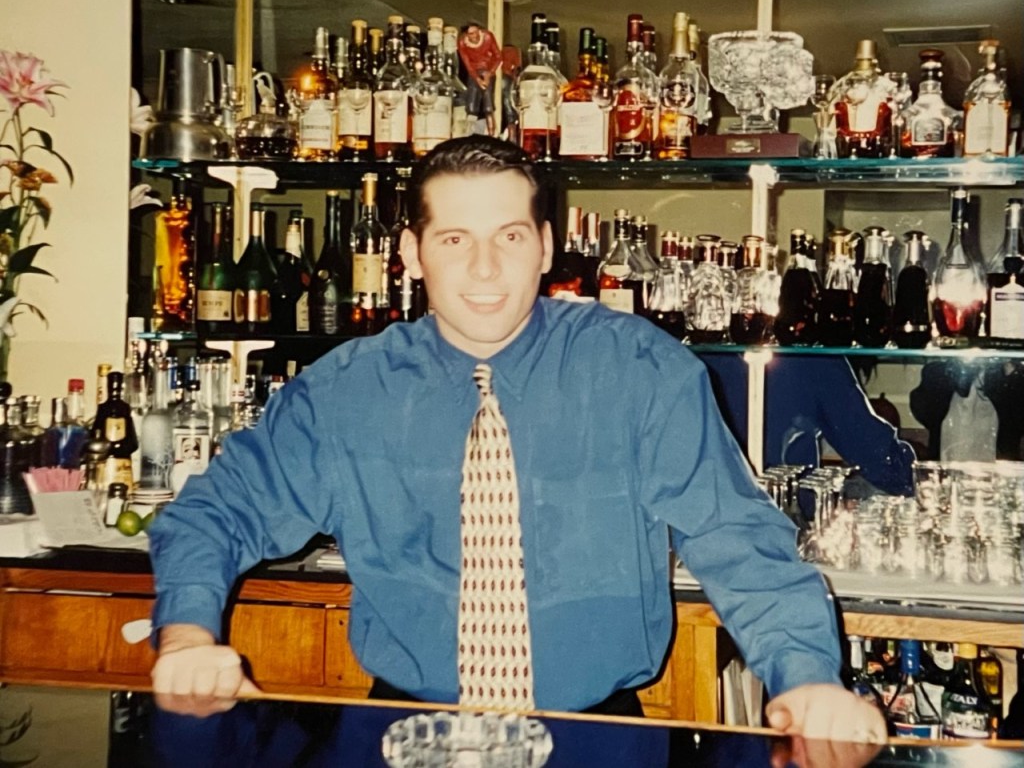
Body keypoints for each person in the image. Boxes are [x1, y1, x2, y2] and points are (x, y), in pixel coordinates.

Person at [149, 136, 885, 744]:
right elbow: (214, 512)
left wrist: (811, 678)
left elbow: (739, 541)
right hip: (401, 730)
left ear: (546, 244)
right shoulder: (346, 389)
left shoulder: (640, 369)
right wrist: (185, 634)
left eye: (508, 237)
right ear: (411, 253)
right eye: (454, 239)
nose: (484, 269)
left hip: (593, 736)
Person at [700, 354, 916, 497]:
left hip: (691, 529)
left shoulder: (682, 349)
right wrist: (920, 478)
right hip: (786, 529)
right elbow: (876, 457)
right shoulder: (809, 357)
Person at [456, 22, 502, 135]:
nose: (475, 35)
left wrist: (490, 73)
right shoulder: (462, 42)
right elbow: (468, 65)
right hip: (473, 74)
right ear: (467, 35)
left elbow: (498, 56)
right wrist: (477, 79)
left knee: (488, 107)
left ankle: (492, 135)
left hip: (487, 71)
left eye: (476, 32)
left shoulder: (487, 37)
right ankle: (470, 135)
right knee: (471, 106)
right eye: (471, 33)